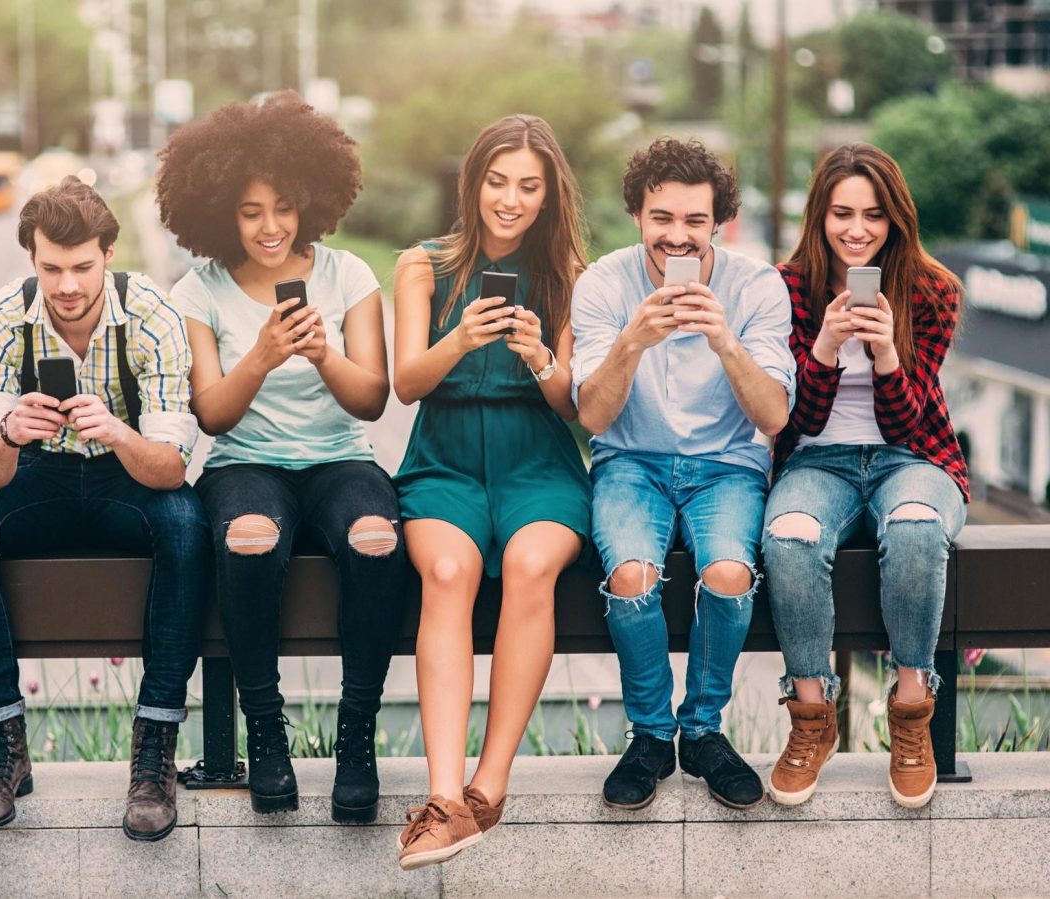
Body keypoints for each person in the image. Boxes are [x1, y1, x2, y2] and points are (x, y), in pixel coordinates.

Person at [156, 92, 408, 823]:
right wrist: (261, 356)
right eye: (250, 211)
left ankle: (354, 737)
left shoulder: (348, 276)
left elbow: (372, 400)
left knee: (376, 537)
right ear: (218, 214)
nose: (271, 227)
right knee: (249, 535)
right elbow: (212, 413)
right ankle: (265, 729)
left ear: (311, 201)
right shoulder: (195, 291)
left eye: (284, 207)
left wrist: (322, 351)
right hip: (245, 465)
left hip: (339, 457)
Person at [0, 176, 206, 842]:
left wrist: (117, 430)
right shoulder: (2, 318)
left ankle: (154, 754)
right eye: (51, 267)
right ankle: (3, 749)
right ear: (31, 257)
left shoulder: (151, 313)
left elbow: (172, 469)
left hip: (128, 473)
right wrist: (8, 432)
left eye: (82, 267)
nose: (66, 285)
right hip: (38, 474)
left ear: (109, 255)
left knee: (186, 524)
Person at [391, 114, 591, 870]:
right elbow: (405, 383)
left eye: (528, 186)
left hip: (536, 460)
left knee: (535, 566)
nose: (510, 199)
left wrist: (541, 356)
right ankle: (443, 796)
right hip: (442, 455)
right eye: (497, 181)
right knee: (447, 573)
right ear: (473, 184)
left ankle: (487, 787)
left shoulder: (569, 272)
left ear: (548, 195)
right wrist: (462, 338)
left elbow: (571, 404)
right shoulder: (424, 266)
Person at [572, 137, 795, 812]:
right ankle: (650, 733)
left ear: (719, 223)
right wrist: (632, 341)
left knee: (729, 574)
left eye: (695, 222)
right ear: (638, 214)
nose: (678, 236)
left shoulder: (755, 285)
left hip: (726, 464)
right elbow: (594, 417)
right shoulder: (605, 283)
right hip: (630, 460)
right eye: (662, 217)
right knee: (631, 577)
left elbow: (774, 415)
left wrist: (725, 339)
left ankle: (702, 729)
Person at [764, 143, 968, 810]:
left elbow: (909, 426)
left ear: (896, 220)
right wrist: (823, 345)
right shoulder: (785, 288)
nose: (857, 229)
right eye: (842, 213)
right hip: (816, 457)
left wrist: (884, 352)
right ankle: (811, 715)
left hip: (912, 459)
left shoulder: (932, 290)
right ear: (819, 215)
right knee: (790, 535)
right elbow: (794, 415)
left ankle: (913, 712)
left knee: (914, 527)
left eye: (874, 215)